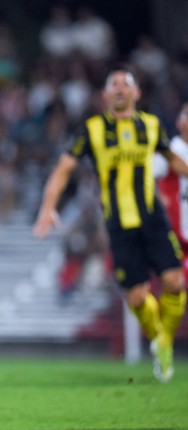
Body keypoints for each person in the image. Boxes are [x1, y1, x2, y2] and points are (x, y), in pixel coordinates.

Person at [33, 67, 187, 383]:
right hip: (118, 225)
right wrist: (48, 208)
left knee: (175, 283)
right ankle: (160, 339)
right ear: (105, 95)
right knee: (136, 298)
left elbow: (170, 158)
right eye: (113, 84)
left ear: (136, 93)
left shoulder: (151, 125)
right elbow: (63, 169)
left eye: (125, 84)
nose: (119, 88)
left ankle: (163, 341)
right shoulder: (91, 130)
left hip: (153, 219)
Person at [155, 103, 188, 280]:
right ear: (179, 122)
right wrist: (158, 198)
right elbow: (146, 177)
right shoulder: (170, 150)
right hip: (177, 238)